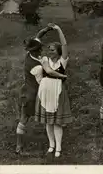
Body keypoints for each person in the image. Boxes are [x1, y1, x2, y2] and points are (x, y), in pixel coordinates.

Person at [15, 26, 67, 154]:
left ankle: (50, 142)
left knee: (25, 118)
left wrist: (46, 30)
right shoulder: (37, 66)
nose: (42, 51)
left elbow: (38, 36)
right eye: (40, 49)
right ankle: (19, 146)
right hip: (32, 94)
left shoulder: (30, 55)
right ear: (36, 51)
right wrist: (61, 76)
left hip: (25, 90)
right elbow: (42, 82)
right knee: (25, 118)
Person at [34, 24, 71, 158]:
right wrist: (62, 76)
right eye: (49, 49)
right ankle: (51, 144)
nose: (50, 52)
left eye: (53, 50)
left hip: (58, 91)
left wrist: (58, 29)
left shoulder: (63, 61)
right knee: (48, 121)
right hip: (45, 89)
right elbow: (35, 42)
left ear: (59, 51)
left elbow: (65, 44)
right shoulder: (45, 59)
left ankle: (58, 147)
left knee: (57, 121)